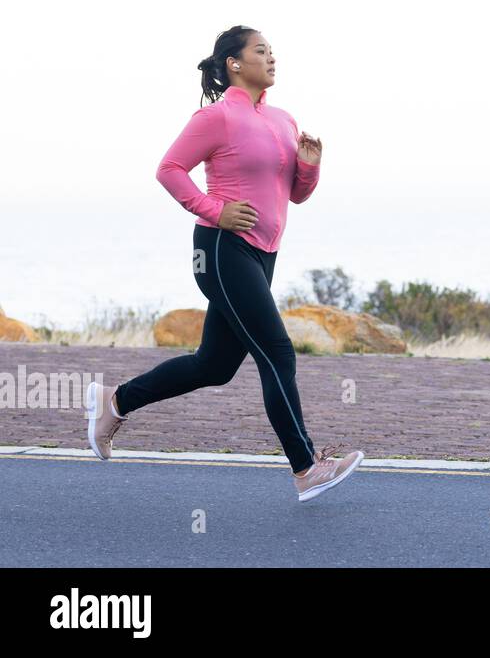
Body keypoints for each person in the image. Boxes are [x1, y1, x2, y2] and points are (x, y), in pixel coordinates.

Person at [84, 25, 364, 503]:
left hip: (262, 253)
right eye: (261, 51)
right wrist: (216, 209)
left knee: (214, 365)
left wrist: (310, 165)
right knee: (277, 353)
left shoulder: (283, 119)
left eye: (272, 51)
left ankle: (116, 401)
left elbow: (293, 194)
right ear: (234, 63)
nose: (271, 58)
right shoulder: (215, 118)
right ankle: (306, 468)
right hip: (220, 249)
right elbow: (169, 170)